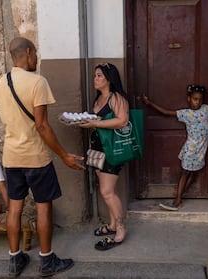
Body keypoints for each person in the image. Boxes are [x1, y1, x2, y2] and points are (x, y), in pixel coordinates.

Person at [0, 37, 85, 277]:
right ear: (28, 52)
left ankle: (14, 260)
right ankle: (46, 261)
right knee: (43, 207)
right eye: (35, 53)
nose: (37, 58)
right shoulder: (37, 82)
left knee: (14, 208)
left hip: (11, 157)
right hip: (35, 158)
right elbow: (42, 126)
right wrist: (64, 155)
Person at [142, 85, 208, 211]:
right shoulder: (186, 113)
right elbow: (166, 112)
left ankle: (179, 196)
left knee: (194, 172)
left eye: (200, 99)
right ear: (189, 99)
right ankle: (177, 201)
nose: (197, 102)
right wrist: (149, 103)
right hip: (191, 149)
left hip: (201, 150)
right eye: (195, 99)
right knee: (185, 173)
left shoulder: (206, 109)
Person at [79, 63, 129, 251]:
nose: (95, 78)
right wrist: (88, 122)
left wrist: (95, 123)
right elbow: (99, 122)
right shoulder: (99, 98)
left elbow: (122, 120)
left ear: (109, 79)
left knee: (107, 192)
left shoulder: (116, 98)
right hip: (98, 150)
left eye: (99, 75)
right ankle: (112, 224)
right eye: (95, 75)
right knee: (107, 191)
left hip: (112, 151)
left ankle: (121, 228)